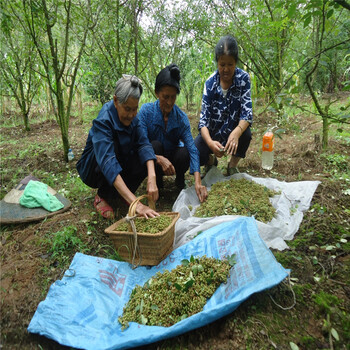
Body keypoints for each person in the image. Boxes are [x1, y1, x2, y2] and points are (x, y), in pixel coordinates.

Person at [76, 75, 159, 219]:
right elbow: (108, 162)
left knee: (150, 152)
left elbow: (144, 144)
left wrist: (152, 176)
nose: (131, 114)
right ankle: (102, 196)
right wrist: (137, 205)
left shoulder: (134, 117)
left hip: (121, 158)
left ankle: (124, 195)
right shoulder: (104, 120)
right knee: (111, 148)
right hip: (95, 166)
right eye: (127, 109)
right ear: (116, 101)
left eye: (135, 109)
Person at [138, 64, 208, 203]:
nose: (169, 102)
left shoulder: (181, 118)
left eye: (173, 97)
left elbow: (193, 149)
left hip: (174, 156)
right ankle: (157, 182)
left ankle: (180, 179)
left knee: (185, 152)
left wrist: (197, 181)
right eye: (165, 97)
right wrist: (158, 158)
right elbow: (140, 143)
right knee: (154, 145)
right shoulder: (146, 112)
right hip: (154, 157)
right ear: (157, 93)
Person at [195, 35, 253, 175]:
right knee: (196, 149)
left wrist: (237, 132)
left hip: (233, 130)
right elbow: (203, 122)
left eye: (230, 65)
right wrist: (210, 143)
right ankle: (210, 162)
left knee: (246, 135)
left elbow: (247, 113)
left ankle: (232, 166)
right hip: (214, 133)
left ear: (236, 63)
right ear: (217, 63)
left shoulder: (243, 79)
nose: (226, 69)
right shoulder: (210, 84)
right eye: (222, 65)